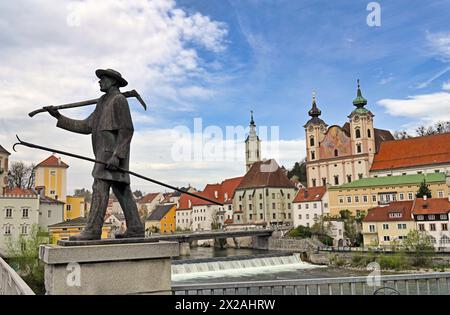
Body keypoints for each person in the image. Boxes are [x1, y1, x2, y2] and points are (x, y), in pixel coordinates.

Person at [45, 69, 144, 240]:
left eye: (103, 78)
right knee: (121, 190)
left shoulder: (119, 100)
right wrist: (59, 117)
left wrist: (117, 156)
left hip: (111, 155)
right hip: (103, 154)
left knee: (99, 188)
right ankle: (135, 227)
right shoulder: (102, 102)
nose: (99, 81)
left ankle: (92, 230)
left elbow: (127, 130)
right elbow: (85, 126)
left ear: (113, 81)